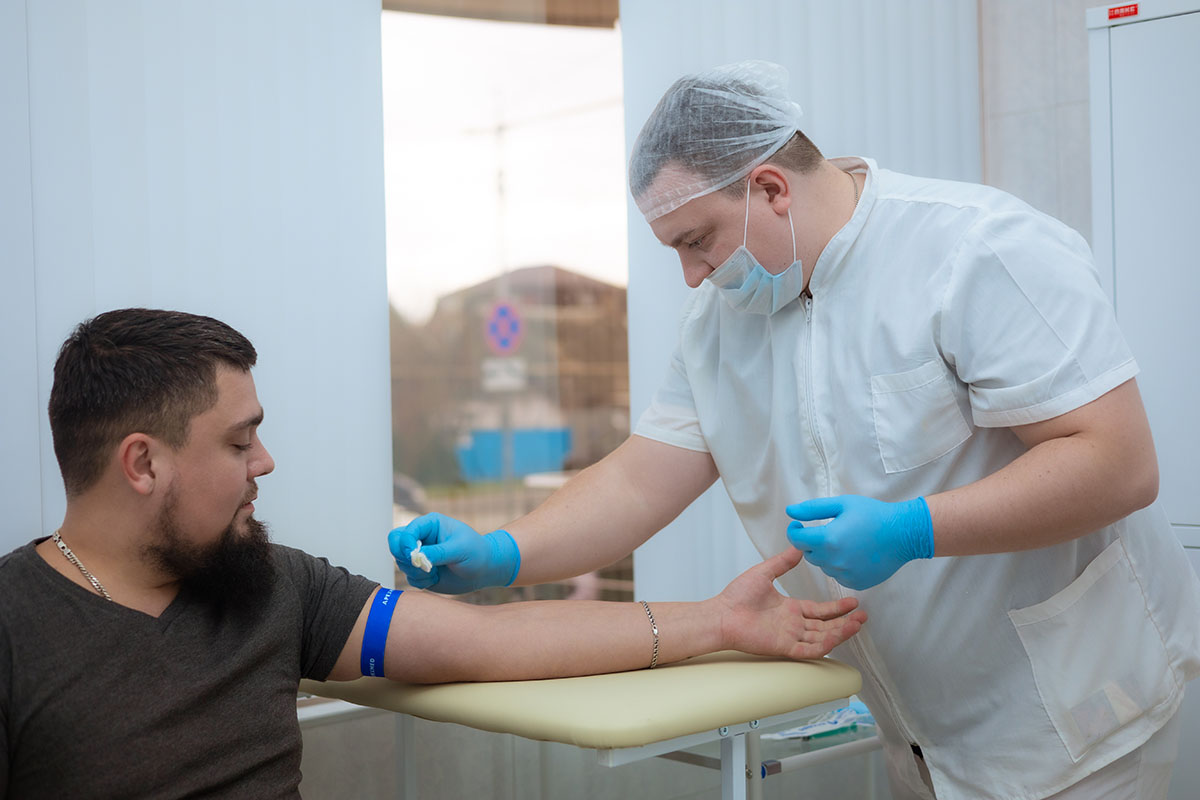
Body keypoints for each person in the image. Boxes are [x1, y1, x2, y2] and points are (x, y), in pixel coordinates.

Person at [390, 61, 1200, 800]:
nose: (692, 275)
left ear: (772, 188)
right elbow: (639, 480)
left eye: (697, 241)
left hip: (1074, 716)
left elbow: (1116, 461)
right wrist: (506, 552)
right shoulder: (721, 323)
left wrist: (914, 529)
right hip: (919, 735)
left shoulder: (973, 249)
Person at [0, 307, 867, 799]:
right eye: (237, 443)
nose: (265, 463)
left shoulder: (274, 585)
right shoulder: (15, 625)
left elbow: (491, 642)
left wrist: (716, 621)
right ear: (142, 463)